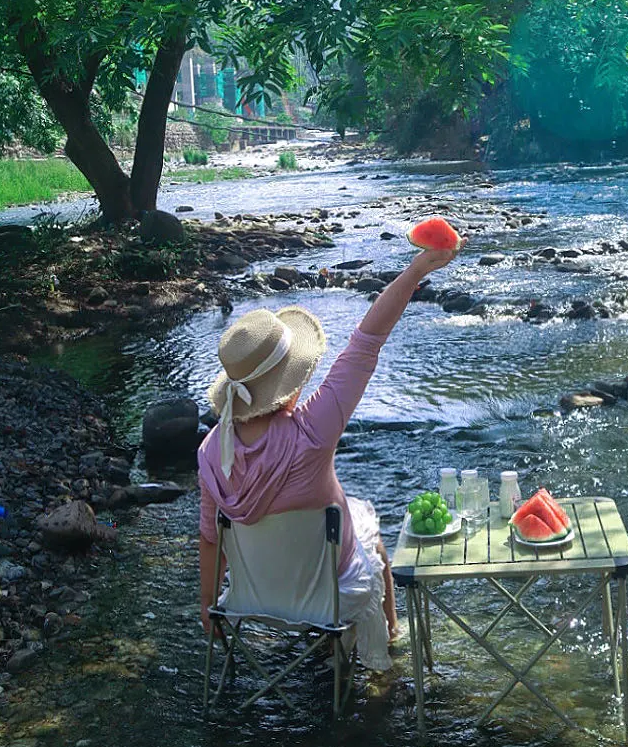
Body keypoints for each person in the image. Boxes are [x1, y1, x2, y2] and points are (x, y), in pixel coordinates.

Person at [197, 243, 459, 672]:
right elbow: (367, 340)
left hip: (252, 596)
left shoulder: (210, 453)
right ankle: (388, 643)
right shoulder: (312, 431)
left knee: (343, 516)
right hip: (330, 593)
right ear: (289, 385)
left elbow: (213, 539)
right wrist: (417, 269)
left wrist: (208, 604)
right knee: (368, 530)